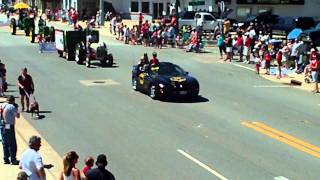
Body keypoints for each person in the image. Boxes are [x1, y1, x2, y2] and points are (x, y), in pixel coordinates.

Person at [1, 96, 20, 165]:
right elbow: (17, 116)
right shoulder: (11, 107)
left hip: (2, 125)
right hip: (8, 125)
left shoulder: (2, 105)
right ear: (13, 101)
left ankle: (6, 159)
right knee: (12, 143)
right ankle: (13, 159)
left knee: (4, 142)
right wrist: (17, 108)